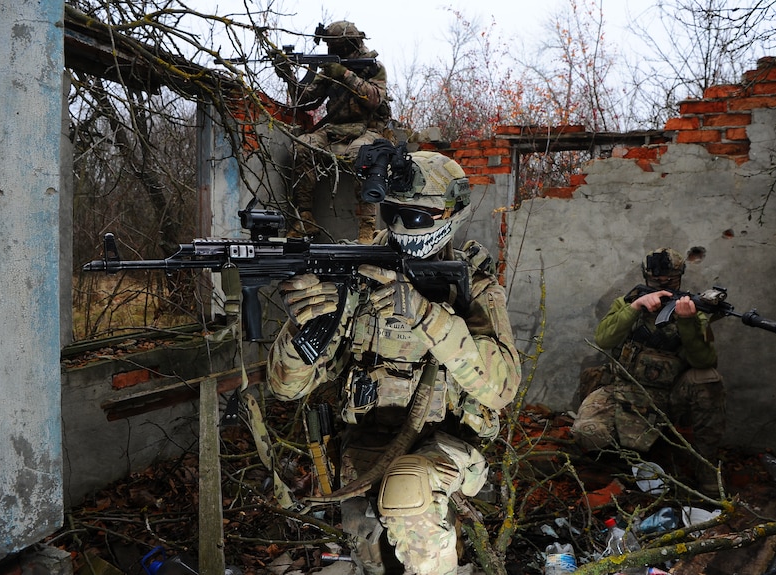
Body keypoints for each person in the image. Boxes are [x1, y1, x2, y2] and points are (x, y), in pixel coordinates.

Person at [266, 150, 521, 574]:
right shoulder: (355, 272)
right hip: (365, 447)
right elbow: (284, 387)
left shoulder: (474, 284)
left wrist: (427, 316)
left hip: (447, 447)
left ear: (451, 214)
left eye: (417, 217)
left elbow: (500, 389)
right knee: (375, 559)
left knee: (409, 491)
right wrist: (306, 327)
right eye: (392, 213)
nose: (402, 227)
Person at [570, 248, 726, 494]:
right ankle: (620, 463)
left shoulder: (694, 311)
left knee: (709, 378)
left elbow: (703, 360)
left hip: (668, 396)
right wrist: (635, 308)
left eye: (670, 281)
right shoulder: (627, 301)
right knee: (586, 433)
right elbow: (604, 339)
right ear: (645, 277)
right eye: (655, 282)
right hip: (621, 389)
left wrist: (687, 321)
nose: (662, 286)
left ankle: (705, 468)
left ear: (680, 276)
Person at [274, 21, 393, 242]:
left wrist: (345, 75)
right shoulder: (330, 67)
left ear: (352, 44)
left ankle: (367, 228)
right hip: (334, 129)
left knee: (364, 155)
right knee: (301, 147)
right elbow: (305, 101)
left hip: (367, 129)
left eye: (339, 47)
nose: (335, 52)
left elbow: (375, 99)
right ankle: (305, 219)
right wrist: (288, 75)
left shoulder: (372, 67)